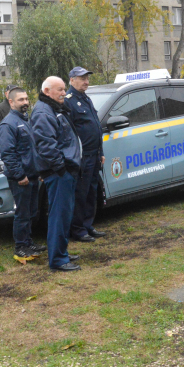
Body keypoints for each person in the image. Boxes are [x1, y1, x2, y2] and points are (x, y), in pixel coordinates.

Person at [31, 76, 82, 272]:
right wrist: (61, 168)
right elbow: (46, 145)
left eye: (64, 89)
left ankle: (62, 251)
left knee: (64, 214)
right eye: (59, 89)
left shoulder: (55, 109)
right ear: (47, 92)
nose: (64, 93)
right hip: (59, 173)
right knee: (58, 216)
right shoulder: (43, 112)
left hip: (65, 171)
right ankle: (58, 259)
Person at [0, 87, 46, 261]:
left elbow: (33, 149)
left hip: (32, 175)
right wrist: (19, 175)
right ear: (11, 102)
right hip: (21, 179)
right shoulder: (8, 124)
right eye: (21, 100)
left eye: (26, 99)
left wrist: (39, 170)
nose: (25, 102)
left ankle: (28, 242)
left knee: (32, 212)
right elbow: (8, 154)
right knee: (23, 213)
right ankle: (20, 247)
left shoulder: (26, 120)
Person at [66, 67, 106, 243]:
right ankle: (78, 229)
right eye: (82, 78)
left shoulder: (86, 99)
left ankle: (88, 225)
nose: (86, 82)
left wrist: (101, 152)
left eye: (87, 79)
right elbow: (69, 133)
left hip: (94, 154)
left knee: (91, 192)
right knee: (80, 193)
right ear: (72, 80)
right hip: (82, 156)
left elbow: (96, 127)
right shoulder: (69, 101)